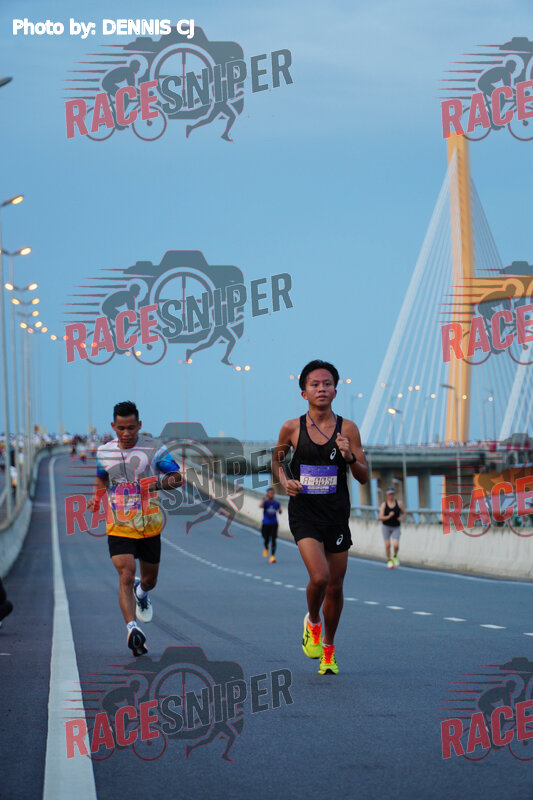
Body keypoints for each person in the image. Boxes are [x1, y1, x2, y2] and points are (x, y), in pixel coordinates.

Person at [272, 359, 368, 675]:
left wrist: (349, 456)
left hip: (336, 516)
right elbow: (276, 461)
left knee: (336, 587)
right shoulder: (292, 428)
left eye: (327, 384)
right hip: (305, 514)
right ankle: (312, 621)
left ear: (336, 391)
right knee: (320, 578)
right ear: (304, 393)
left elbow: (364, 476)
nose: (321, 389)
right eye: (315, 384)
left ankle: (328, 649)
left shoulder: (348, 429)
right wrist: (285, 481)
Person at [88, 401, 182, 656]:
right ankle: (132, 629)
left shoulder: (154, 449)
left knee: (149, 580)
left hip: (149, 525)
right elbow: (101, 477)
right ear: (113, 426)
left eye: (131, 428)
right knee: (126, 575)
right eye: (121, 428)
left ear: (139, 425)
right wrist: (96, 498)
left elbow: (178, 477)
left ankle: (142, 593)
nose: (126, 433)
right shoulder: (104, 452)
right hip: (118, 525)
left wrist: (155, 485)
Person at [378, 487, 406, 569]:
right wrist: (389, 516)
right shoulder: (384, 505)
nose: (391, 496)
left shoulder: (399, 503)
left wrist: (401, 518)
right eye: (390, 494)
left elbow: (404, 513)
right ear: (387, 495)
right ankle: (389, 560)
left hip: (396, 527)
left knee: (396, 545)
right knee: (387, 545)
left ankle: (395, 556)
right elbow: (380, 517)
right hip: (386, 526)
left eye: (392, 494)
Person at [259, 487, 282, 563]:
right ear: (267, 494)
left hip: (274, 524)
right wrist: (263, 498)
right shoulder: (265, 503)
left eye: (272, 493)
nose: (271, 495)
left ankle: (272, 556)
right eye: (269, 493)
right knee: (265, 538)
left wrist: (280, 510)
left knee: (273, 539)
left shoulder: (276, 503)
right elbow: (260, 506)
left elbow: (280, 511)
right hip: (265, 523)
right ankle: (266, 547)